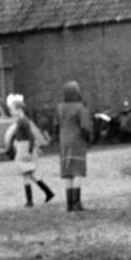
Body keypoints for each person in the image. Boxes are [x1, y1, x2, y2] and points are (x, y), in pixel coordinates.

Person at [4, 94, 54, 207]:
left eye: (12, 110)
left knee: (26, 174)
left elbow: (31, 136)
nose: (11, 112)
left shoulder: (23, 121)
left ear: (19, 110)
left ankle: (31, 200)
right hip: (23, 148)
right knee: (29, 174)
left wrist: (29, 150)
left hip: (24, 149)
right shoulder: (22, 121)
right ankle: (47, 192)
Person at [55, 81, 93, 211]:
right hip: (77, 141)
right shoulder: (80, 108)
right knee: (78, 171)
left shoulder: (60, 108)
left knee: (67, 172)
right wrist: (89, 139)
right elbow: (85, 127)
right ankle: (77, 203)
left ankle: (69, 203)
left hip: (63, 142)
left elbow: (56, 125)